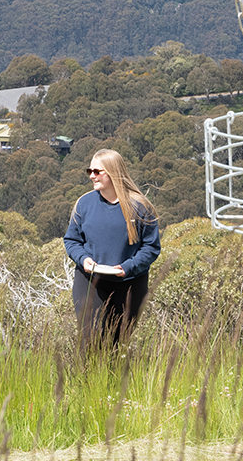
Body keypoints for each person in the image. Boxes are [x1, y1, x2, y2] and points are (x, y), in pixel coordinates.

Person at [63, 149, 160, 351]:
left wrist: (128, 267)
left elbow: (151, 248)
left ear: (113, 172)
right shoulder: (84, 203)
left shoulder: (140, 207)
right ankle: (86, 382)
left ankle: (112, 382)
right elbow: (71, 240)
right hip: (89, 280)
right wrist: (83, 259)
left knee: (116, 345)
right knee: (89, 342)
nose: (92, 176)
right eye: (90, 170)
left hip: (130, 282)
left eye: (97, 171)